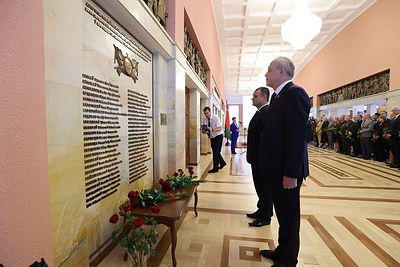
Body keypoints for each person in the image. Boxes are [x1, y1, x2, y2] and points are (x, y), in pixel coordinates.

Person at [258, 57, 310, 267]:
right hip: (276, 169)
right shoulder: (280, 96)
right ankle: (282, 250)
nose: (266, 74)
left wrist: (290, 172)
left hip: (285, 172)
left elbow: (297, 136)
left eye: (269, 70)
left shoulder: (294, 93)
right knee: (282, 213)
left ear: (281, 71)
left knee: (289, 216)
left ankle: (289, 260)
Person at [246, 87, 273, 227]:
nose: (252, 98)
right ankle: (261, 209)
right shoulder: (259, 112)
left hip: (262, 159)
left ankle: (266, 216)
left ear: (264, 98)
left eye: (255, 96)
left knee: (264, 188)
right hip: (256, 158)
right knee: (259, 186)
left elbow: (265, 139)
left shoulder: (267, 112)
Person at [202, 107, 226, 173]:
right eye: (205, 113)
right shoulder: (205, 120)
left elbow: (220, 128)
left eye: (207, 113)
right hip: (212, 137)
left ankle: (215, 168)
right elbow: (205, 130)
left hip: (218, 136)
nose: (206, 114)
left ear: (210, 112)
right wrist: (204, 131)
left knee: (216, 152)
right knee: (215, 152)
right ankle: (222, 163)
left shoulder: (216, 118)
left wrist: (212, 129)